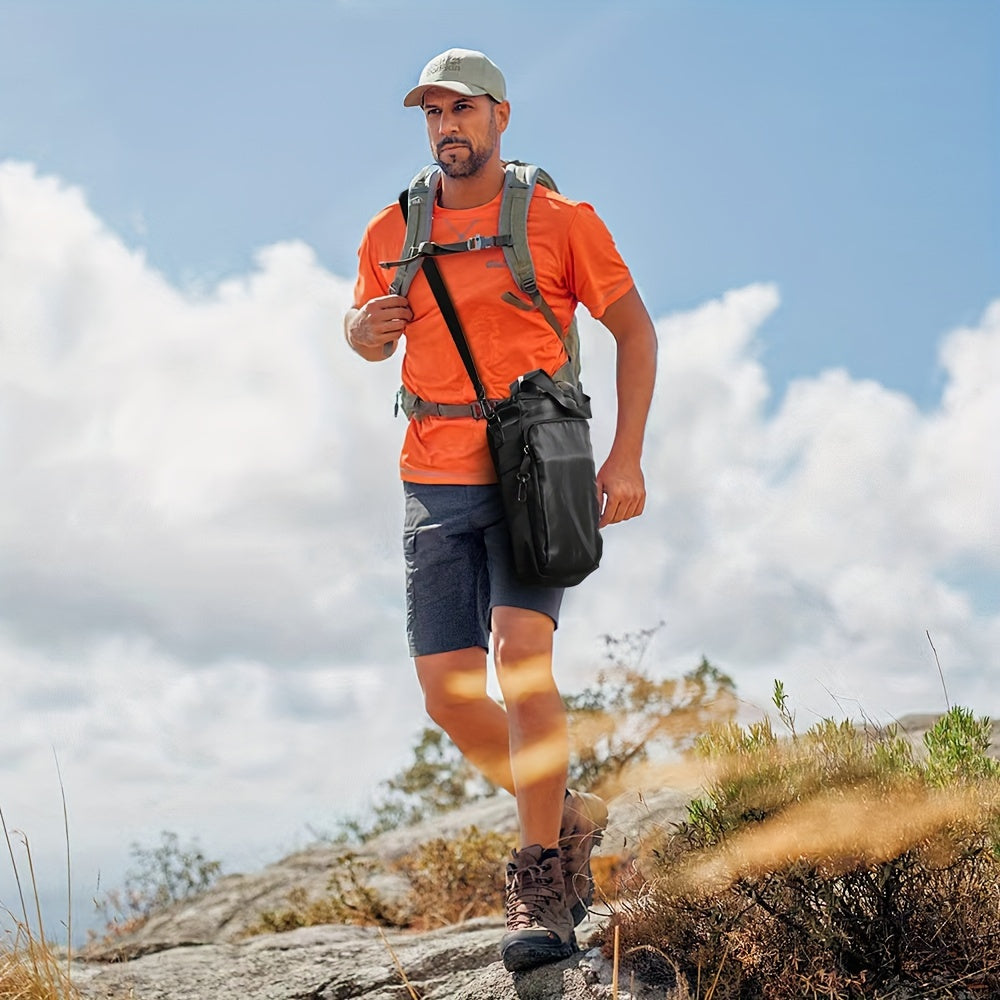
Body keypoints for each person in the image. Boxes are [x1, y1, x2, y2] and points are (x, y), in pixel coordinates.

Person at [345, 47, 657, 972]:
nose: (448, 126)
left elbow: (634, 330)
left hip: (536, 469)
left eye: (464, 109)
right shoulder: (390, 231)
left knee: (522, 659)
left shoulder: (560, 220)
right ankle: (566, 813)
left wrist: (627, 455)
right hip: (431, 475)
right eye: (433, 113)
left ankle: (542, 889)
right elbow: (364, 329)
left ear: (502, 117)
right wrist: (358, 330)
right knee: (447, 696)